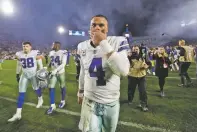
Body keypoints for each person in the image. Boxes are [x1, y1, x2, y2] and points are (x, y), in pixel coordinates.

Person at [77, 14, 130, 132]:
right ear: (89, 29)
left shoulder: (118, 41)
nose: (97, 28)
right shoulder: (82, 46)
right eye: (93, 25)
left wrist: (103, 43)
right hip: (90, 100)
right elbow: (83, 70)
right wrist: (80, 91)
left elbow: (124, 71)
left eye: (101, 25)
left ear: (107, 29)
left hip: (111, 101)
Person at [8, 42, 44, 122]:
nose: (25, 47)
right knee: (21, 93)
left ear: (30, 47)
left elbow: (40, 64)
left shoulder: (35, 52)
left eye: (27, 46)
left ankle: (40, 99)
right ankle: (18, 114)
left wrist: (41, 74)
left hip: (33, 75)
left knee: (36, 89)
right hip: (24, 75)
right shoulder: (19, 54)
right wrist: (17, 74)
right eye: (23, 46)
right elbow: (19, 64)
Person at [127, 45, 151, 112]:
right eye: (134, 49)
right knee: (131, 90)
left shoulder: (143, 56)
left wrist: (147, 66)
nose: (135, 50)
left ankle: (144, 105)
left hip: (141, 76)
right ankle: (130, 99)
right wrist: (128, 57)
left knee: (143, 91)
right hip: (132, 76)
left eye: (136, 49)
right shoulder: (129, 56)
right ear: (132, 50)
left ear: (139, 50)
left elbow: (149, 63)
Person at [46, 41, 67, 114]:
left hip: (60, 72)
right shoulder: (51, 52)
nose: (52, 45)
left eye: (53, 44)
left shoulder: (63, 52)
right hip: (53, 72)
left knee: (62, 86)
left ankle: (63, 101)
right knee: (51, 87)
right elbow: (50, 62)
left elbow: (63, 64)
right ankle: (52, 105)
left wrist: (56, 70)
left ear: (57, 45)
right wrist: (46, 67)